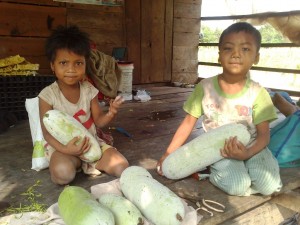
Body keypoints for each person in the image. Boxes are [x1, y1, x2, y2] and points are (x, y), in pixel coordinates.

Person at [157, 22, 282, 196]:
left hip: (253, 147)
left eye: (245, 49)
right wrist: (168, 154)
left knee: (268, 186)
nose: (236, 54)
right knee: (238, 186)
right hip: (219, 150)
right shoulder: (205, 88)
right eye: (228, 49)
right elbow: (188, 123)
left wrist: (247, 153)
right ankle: (216, 175)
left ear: (256, 57)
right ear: (219, 56)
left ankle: (250, 172)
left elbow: (263, 135)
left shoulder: (258, 93)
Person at [39, 25, 129, 185]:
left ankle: (87, 162)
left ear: (85, 64)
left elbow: (99, 121)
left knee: (122, 166)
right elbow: (47, 134)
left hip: (91, 143)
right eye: (64, 63)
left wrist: (111, 113)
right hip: (63, 148)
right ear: (53, 65)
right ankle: (77, 162)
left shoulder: (89, 90)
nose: (71, 69)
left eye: (78, 63)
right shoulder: (47, 96)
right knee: (63, 175)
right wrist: (67, 150)